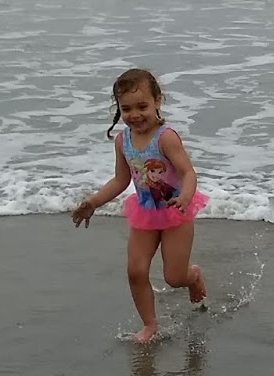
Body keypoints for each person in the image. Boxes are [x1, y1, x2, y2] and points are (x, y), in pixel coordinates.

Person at [72, 68, 209, 341]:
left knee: (174, 278)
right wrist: (94, 201)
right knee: (135, 271)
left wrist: (185, 197)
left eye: (142, 106)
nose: (135, 114)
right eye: (126, 108)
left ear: (157, 101)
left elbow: (188, 173)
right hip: (145, 213)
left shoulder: (166, 137)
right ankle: (149, 325)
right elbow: (121, 180)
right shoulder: (123, 141)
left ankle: (193, 276)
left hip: (175, 212)